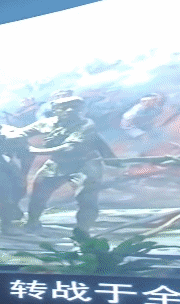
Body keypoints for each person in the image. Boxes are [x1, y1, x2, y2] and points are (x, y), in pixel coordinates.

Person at [20, 96, 113, 234]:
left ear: (81, 109)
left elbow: (68, 147)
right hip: (57, 164)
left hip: (84, 164)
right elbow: (22, 133)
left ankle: (82, 232)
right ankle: (32, 223)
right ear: (55, 110)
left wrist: (34, 150)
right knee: (38, 192)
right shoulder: (46, 123)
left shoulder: (86, 125)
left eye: (74, 107)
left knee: (87, 198)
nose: (69, 110)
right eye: (64, 107)